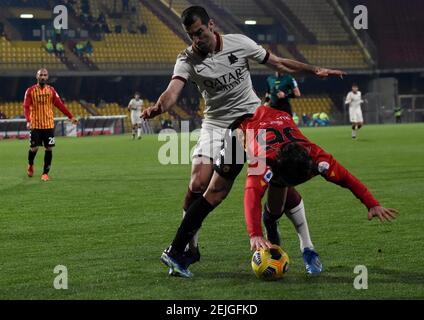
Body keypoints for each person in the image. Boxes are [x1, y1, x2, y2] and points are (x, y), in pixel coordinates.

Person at [141, 6, 345, 276]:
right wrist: (158, 108)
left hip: (254, 121)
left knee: (281, 179)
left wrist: (314, 69)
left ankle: (307, 247)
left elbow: (280, 63)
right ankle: (190, 249)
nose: (197, 39)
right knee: (198, 184)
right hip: (216, 124)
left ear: (211, 25)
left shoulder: (240, 43)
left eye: (200, 32)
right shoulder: (187, 59)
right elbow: (171, 93)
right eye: (192, 35)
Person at [161, 104, 397, 277]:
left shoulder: (317, 157)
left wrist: (372, 203)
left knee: (280, 199)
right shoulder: (263, 160)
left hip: (275, 125)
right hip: (241, 134)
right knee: (214, 193)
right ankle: (177, 250)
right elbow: (251, 195)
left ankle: (304, 247)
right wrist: (254, 234)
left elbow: (347, 179)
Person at [23, 68, 78, 181]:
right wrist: (28, 120)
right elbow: (26, 106)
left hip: (48, 124)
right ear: (37, 76)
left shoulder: (51, 91)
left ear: (47, 77)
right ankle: (30, 164)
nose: (43, 77)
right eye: (41, 75)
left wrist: (71, 116)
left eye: (45, 75)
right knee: (34, 148)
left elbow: (60, 105)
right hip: (35, 125)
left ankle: (45, 173)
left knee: (49, 148)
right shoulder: (30, 91)